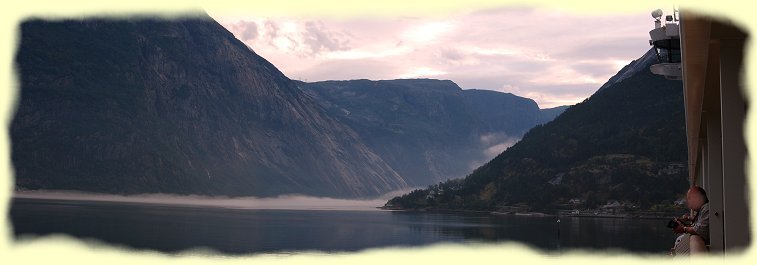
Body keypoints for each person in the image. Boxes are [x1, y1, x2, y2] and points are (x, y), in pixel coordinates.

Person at [671, 186, 710, 256]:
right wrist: (688, 219)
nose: (687, 201)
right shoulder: (702, 210)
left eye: (689, 198)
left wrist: (683, 228)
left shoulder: (706, 208)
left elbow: (701, 230)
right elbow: (700, 223)